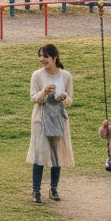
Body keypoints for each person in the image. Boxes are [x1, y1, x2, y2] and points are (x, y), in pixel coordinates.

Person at [28, 43, 74, 204]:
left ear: (55, 58)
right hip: (41, 117)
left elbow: (70, 100)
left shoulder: (66, 75)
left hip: (58, 118)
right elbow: (33, 98)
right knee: (39, 154)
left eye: (45, 56)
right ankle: (36, 190)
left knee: (56, 155)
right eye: (40, 56)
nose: (42, 59)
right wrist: (44, 92)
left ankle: (53, 188)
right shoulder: (37, 75)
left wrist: (63, 98)